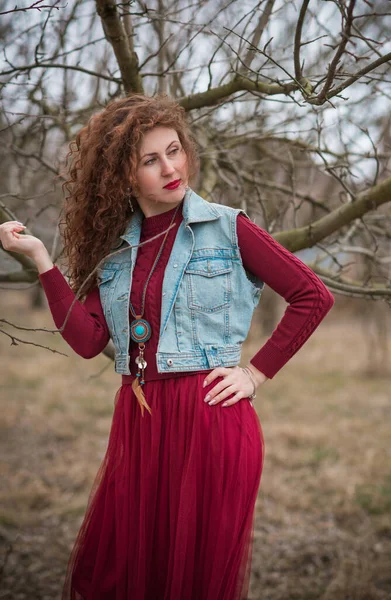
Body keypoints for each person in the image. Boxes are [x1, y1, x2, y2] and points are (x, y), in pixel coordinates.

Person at [0, 94, 335, 600]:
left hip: (209, 422)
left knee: (191, 582)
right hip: (139, 424)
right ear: (124, 176)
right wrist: (44, 262)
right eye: (150, 160)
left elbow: (312, 295)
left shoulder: (227, 227)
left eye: (174, 151)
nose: (171, 168)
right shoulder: (111, 247)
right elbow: (90, 340)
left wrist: (254, 374)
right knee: (112, 576)